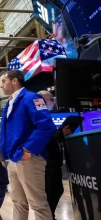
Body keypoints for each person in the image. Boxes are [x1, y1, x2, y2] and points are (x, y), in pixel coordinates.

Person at [0, 70, 56, 220]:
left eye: (3, 81)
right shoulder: (9, 103)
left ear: (14, 81)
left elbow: (46, 126)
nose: (1, 85)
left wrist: (28, 149)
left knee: (37, 203)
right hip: (13, 159)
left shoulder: (32, 98)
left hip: (29, 158)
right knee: (18, 201)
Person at [38, 90, 72, 220]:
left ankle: (49, 216)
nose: (54, 102)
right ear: (42, 101)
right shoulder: (40, 116)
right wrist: (60, 133)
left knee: (56, 191)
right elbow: (44, 138)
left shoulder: (45, 116)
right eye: (51, 99)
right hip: (47, 163)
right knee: (51, 192)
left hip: (53, 163)